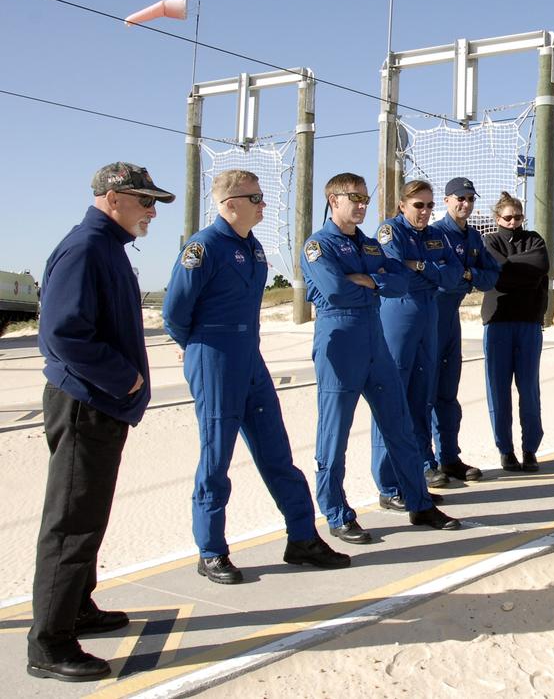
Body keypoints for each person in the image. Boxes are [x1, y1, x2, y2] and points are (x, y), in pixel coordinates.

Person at [163, 169, 350, 584]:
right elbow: (174, 314)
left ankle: (302, 538)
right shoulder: (203, 247)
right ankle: (210, 550)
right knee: (216, 458)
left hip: (250, 357)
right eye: (256, 198)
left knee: (277, 453)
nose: (264, 204)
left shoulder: (254, 248)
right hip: (214, 358)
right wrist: (199, 350)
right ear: (230, 205)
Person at [28, 163, 174, 682]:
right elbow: (62, 332)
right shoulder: (86, 247)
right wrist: (125, 378)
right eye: (145, 202)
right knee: (71, 522)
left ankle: (77, 608)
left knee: (88, 514)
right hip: (87, 401)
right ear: (114, 197)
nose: (152, 213)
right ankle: (50, 642)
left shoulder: (106, 245)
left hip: (100, 401)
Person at [301, 173, 460, 544]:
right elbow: (336, 292)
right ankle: (338, 513)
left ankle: (419, 504)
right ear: (332, 200)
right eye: (353, 198)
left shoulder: (371, 247)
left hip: (376, 340)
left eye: (365, 199)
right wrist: (374, 282)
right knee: (334, 434)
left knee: (400, 424)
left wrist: (367, 279)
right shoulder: (318, 245)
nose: (361, 205)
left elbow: (399, 283)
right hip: (339, 342)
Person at [371, 180, 462, 511]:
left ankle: (417, 478)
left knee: (421, 399)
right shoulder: (389, 232)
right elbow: (396, 276)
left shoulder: (436, 236)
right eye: (418, 205)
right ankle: (388, 485)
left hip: (429, 316)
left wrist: (421, 265)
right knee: (391, 401)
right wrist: (431, 270)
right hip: (399, 317)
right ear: (402, 206)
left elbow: (455, 275)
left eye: (429, 206)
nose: (425, 212)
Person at [431, 177, 502, 485]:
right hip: (429, 316)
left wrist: (468, 274)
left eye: (471, 199)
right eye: (460, 198)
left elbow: (491, 276)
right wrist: (467, 277)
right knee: (424, 394)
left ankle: (449, 458)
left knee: (448, 394)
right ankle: (424, 461)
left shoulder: (474, 237)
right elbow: (442, 277)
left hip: (451, 319)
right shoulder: (433, 234)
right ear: (446, 200)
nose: (466, 204)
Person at [481, 191, 550, 472]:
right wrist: (520, 273)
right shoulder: (489, 240)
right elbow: (495, 272)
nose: (513, 221)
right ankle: (506, 450)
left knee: (529, 389)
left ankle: (530, 449)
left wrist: (509, 271)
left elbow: (540, 265)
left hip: (529, 322)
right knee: (498, 390)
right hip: (498, 322)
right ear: (498, 218)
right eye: (507, 217)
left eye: (517, 217)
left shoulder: (535, 239)